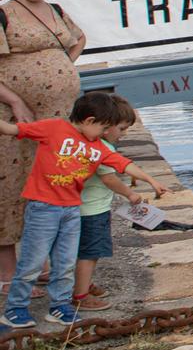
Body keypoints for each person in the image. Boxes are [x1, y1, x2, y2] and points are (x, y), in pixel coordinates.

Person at [2, 91, 156, 329]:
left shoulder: (97, 147)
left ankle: (60, 305)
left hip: (72, 210)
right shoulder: (53, 128)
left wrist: (151, 180)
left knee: (64, 261)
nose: (106, 134)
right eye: (103, 128)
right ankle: (15, 308)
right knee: (32, 260)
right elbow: (15, 130)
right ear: (89, 120)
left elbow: (124, 165)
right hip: (44, 208)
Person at [0, 0, 86, 288]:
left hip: (58, 119)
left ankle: (43, 265)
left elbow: (79, 38)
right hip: (16, 116)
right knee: (11, 187)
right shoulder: (5, 14)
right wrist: (17, 98)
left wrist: (63, 66)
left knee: (50, 189)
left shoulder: (57, 11)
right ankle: (8, 272)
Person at [72, 96, 158, 311]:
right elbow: (108, 178)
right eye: (121, 128)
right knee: (90, 252)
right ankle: (80, 295)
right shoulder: (102, 148)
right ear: (106, 127)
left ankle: (84, 283)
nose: (124, 134)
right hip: (92, 210)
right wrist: (130, 194)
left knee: (82, 250)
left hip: (84, 207)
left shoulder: (89, 143)